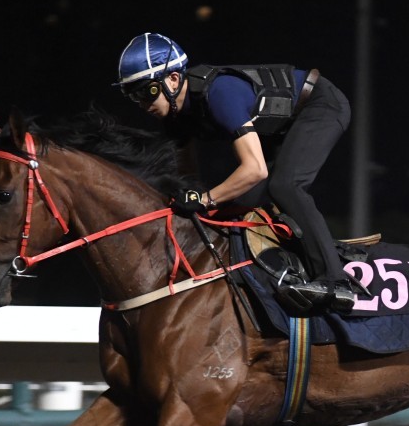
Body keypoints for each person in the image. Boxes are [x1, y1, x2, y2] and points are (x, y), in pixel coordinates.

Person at [115, 32, 356, 315]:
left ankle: (336, 280)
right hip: (281, 126)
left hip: (320, 104)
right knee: (236, 204)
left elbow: (255, 169)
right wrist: (196, 202)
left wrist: (205, 198)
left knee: (285, 185)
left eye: (147, 92)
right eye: (134, 96)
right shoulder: (176, 117)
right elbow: (187, 178)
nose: (143, 104)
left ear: (173, 79)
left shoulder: (219, 94)